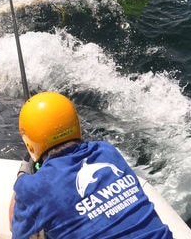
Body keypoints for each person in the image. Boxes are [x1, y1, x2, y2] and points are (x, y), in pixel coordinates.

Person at [9, 92, 173, 239]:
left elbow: (16, 230)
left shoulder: (33, 187)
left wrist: (24, 172)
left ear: (30, 146)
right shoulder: (107, 151)